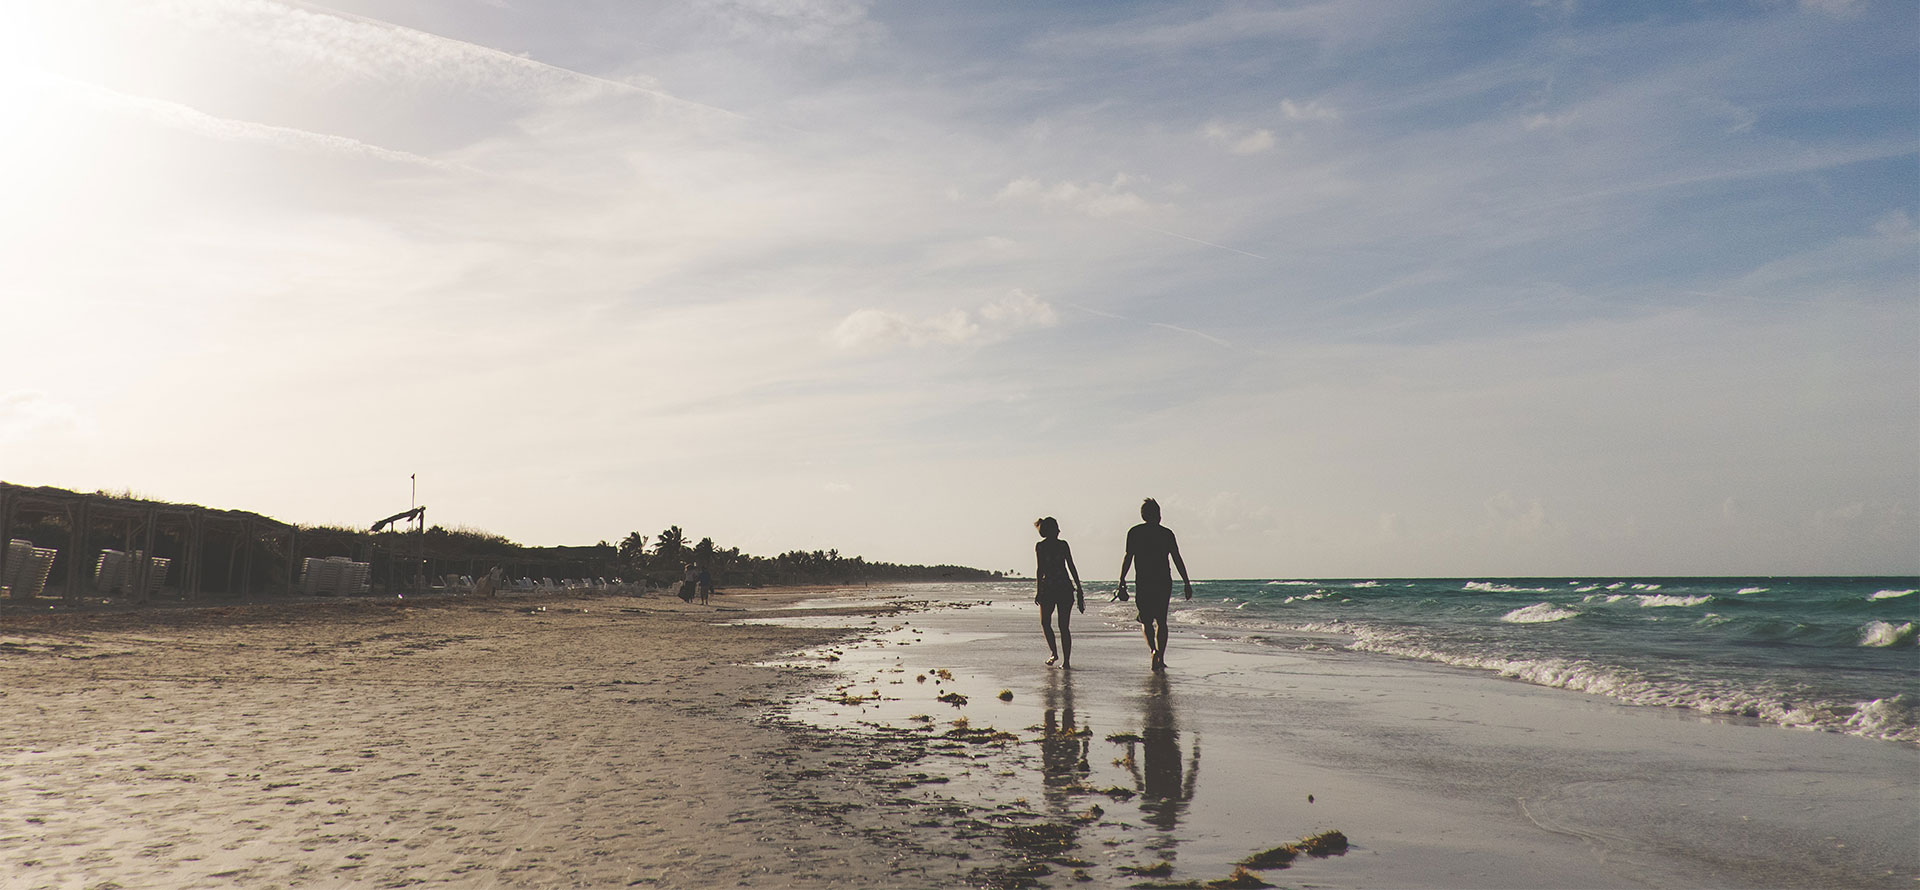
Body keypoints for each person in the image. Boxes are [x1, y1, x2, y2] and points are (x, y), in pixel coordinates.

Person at [1117, 498, 1191, 671]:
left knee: (1146, 620)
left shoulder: (1134, 532)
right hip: (1163, 581)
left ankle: (1153, 650)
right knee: (1162, 621)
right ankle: (1161, 657)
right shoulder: (1166, 534)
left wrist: (1121, 580)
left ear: (1143, 515)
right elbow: (1177, 559)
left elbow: (1128, 557)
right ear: (1158, 515)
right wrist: (1187, 582)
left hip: (1144, 581)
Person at [1033, 516, 1085, 668]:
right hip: (1063, 587)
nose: (1059, 530)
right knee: (1063, 626)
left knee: (1046, 623)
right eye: (1056, 528)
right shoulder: (1061, 545)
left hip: (1050, 587)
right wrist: (1079, 588)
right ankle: (1064, 660)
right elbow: (1071, 566)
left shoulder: (1041, 546)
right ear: (1051, 530)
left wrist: (1038, 590)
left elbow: (1040, 570)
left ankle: (1055, 654)